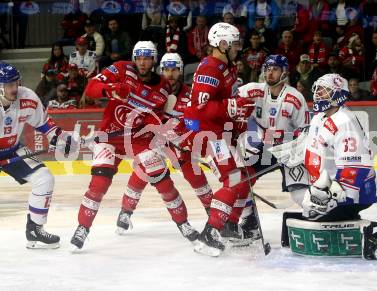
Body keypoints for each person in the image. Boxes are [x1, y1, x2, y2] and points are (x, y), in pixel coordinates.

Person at [70, 41, 198, 250]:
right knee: (99, 184)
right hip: (111, 134)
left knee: (162, 179)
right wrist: (110, 89)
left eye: (147, 58)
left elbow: (155, 117)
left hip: (138, 138)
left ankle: (183, 223)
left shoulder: (164, 88)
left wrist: (157, 127)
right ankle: (82, 227)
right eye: (139, 57)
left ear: (154, 60)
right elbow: (91, 88)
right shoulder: (121, 68)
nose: (142, 62)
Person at [279, 73, 377, 260]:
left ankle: (372, 237)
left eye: (324, 91)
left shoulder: (345, 121)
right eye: (317, 90)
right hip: (324, 187)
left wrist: (338, 199)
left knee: (314, 217)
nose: (318, 95)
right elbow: (312, 146)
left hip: (350, 191)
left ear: (338, 94)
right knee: (306, 208)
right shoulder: (318, 118)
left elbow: (356, 165)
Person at [115, 51, 212, 239]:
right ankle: (126, 211)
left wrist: (184, 134)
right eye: (166, 70)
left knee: (195, 175)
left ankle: (211, 211)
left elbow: (197, 123)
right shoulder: (154, 91)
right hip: (155, 142)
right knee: (142, 172)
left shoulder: (191, 95)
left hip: (181, 144)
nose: (170, 74)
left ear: (181, 71)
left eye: (174, 70)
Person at [180, 22, 256, 256]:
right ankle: (210, 232)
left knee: (245, 177)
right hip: (206, 133)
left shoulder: (226, 67)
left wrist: (236, 121)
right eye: (234, 44)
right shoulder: (210, 68)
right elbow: (200, 107)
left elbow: (223, 107)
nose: (238, 48)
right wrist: (232, 107)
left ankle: (230, 225)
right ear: (222, 44)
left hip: (218, 131)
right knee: (232, 179)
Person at [236, 55, 310, 242]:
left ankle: (320, 220)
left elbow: (305, 131)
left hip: (291, 149)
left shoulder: (295, 98)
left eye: (275, 69)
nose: (270, 72)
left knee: (300, 194)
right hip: (267, 147)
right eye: (267, 68)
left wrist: (295, 149)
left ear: (284, 72)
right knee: (239, 178)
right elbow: (230, 96)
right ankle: (250, 223)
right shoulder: (255, 91)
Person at [0, 62, 74, 248]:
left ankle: (35, 229)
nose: (15, 88)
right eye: (9, 85)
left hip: (12, 149)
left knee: (44, 178)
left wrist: (60, 140)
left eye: (16, 83)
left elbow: (44, 124)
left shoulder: (27, 97)